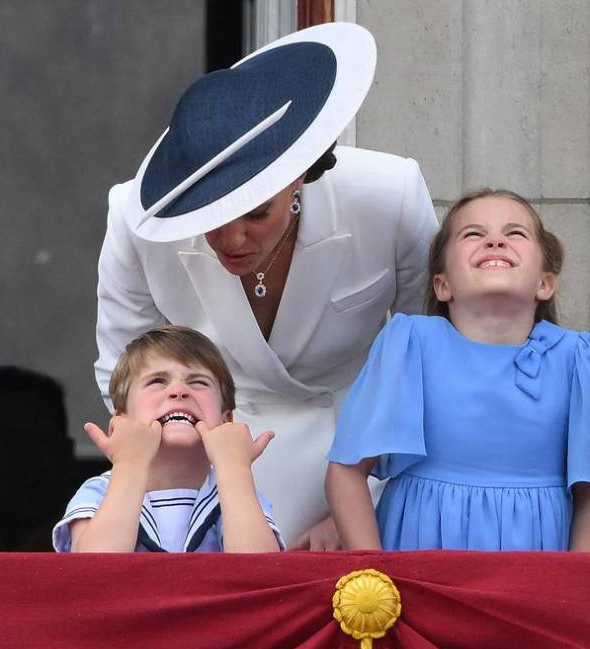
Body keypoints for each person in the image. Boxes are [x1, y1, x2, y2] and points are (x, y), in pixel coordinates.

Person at [94, 23, 438, 548]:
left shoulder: (389, 196)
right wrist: (178, 494)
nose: (232, 237)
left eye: (256, 213)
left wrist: (365, 504)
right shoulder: (133, 215)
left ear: (299, 176)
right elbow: (122, 372)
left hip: (360, 460)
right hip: (209, 471)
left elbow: (433, 366)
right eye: (210, 216)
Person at [326, 189, 590, 551]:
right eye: (473, 234)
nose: (495, 241)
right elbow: (346, 471)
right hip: (421, 557)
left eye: (515, 233)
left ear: (544, 283)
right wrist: (373, 573)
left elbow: (588, 494)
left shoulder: (577, 358)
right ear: (442, 284)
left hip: (537, 565)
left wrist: (574, 590)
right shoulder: (409, 343)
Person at [54, 325, 282, 553]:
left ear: (226, 421)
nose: (179, 391)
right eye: (157, 381)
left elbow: (261, 572)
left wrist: (234, 467)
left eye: (198, 382)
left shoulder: (236, 491)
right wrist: (129, 464)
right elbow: (93, 570)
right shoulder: (98, 493)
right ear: (122, 421)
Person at [0, 366, 77, 551]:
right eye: (2, 442)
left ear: (66, 453)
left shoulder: (103, 548)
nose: (25, 458)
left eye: (40, 438)